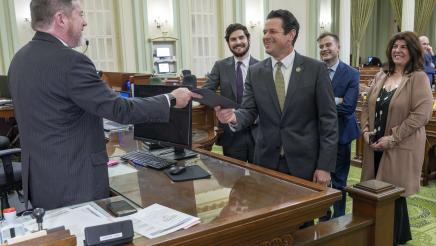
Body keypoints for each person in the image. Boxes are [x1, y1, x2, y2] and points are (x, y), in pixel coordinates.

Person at [7, 0, 199, 210]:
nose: (85, 22)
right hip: (74, 182)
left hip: (42, 180)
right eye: (80, 14)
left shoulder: (19, 59)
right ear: (61, 19)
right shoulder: (70, 62)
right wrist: (170, 99)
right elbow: (119, 110)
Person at [215, 9, 338, 187]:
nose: (265, 36)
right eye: (264, 32)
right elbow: (249, 111)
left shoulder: (315, 70)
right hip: (266, 163)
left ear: (291, 35)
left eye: (272, 31)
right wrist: (234, 117)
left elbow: (328, 120)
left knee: (303, 215)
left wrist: (324, 166)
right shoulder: (255, 72)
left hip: (304, 165)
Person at [361, 31, 433, 245]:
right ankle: (392, 235)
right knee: (376, 191)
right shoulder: (382, 74)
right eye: (395, 46)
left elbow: (421, 115)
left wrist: (392, 139)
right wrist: (365, 130)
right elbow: (367, 105)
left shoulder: (418, 77)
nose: (397, 51)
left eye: (403, 47)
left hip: (400, 145)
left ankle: (390, 237)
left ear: (412, 51)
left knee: (392, 193)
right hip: (375, 144)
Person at [317, 32, 360, 220]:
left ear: (338, 47)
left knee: (339, 180)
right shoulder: (316, 70)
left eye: (328, 45)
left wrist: (322, 103)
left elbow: (349, 107)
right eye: (321, 47)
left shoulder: (351, 73)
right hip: (318, 135)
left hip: (342, 134)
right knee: (319, 179)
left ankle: (339, 219)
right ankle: (323, 217)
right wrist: (336, 100)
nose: (324, 49)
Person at [203, 23, 259, 162]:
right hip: (231, 133)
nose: (238, 42)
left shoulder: (261, 67)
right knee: (234, 179)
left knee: (259, 180)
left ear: (248, 39)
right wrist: (218, 107)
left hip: (256, 132)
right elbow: (207, 91)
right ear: (228, 43)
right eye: (233, 39)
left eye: (241, 37)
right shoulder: (220, 66)